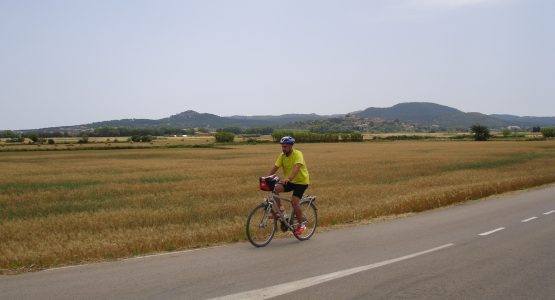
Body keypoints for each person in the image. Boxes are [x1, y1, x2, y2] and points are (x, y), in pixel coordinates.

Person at [267, 136, 310, 235]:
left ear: (291, 146)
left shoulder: (298, 154)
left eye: (285, 146)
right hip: (289, 181)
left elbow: (297, 167)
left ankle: (302, 224)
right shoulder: (282, 156)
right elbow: (275, 167)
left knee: (294, 202)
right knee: (275, 189)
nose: (283, 148)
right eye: (282, 146)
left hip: (301, 182)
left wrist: (289, 178)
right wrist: (266, 178)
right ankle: (281, 210)